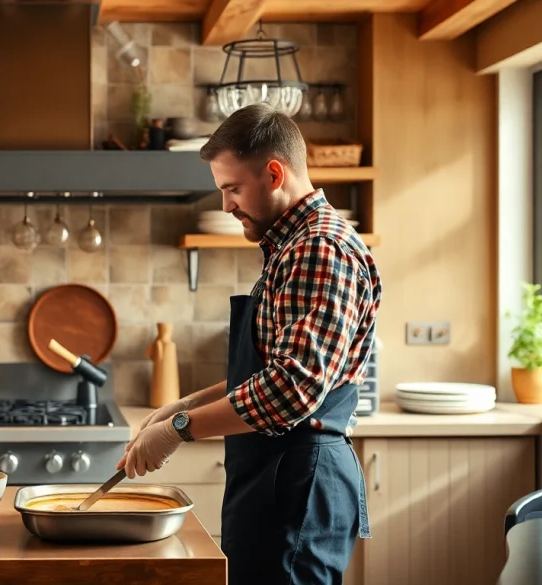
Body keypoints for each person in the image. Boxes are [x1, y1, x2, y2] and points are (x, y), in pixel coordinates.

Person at [117, 103, 382, 585]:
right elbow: (269, 371)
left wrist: (180, 428)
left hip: (298, 480)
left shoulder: (318, 249)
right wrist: (189, 403)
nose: (226, 206)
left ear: (275, 174)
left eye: (233, 188)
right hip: (281, 477)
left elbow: (291, 389)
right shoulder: (292, 247)